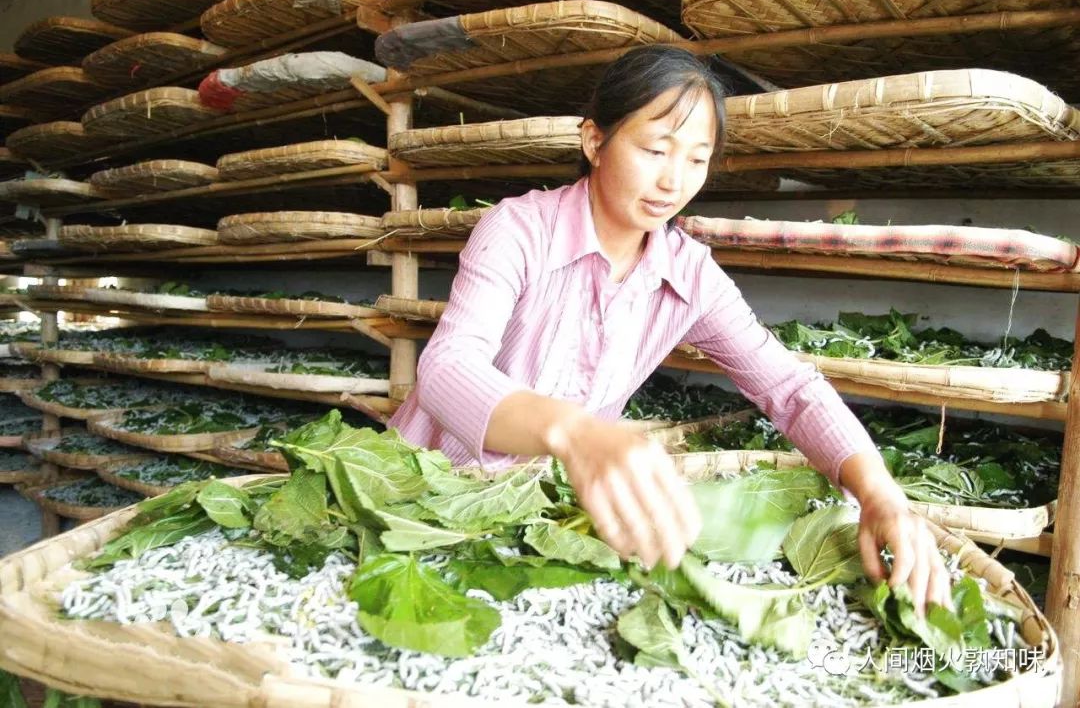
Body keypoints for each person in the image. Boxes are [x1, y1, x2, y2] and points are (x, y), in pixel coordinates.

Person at [390, 45, 952, 618]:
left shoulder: (688, 272)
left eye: (696, 159)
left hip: (538, 512)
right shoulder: (518, 229)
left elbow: (789, 388)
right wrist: (575, 433)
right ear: (594, 141)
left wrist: (879, 493)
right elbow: (446, 368)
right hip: (419, 498)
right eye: (655, 149)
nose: (673, 181)